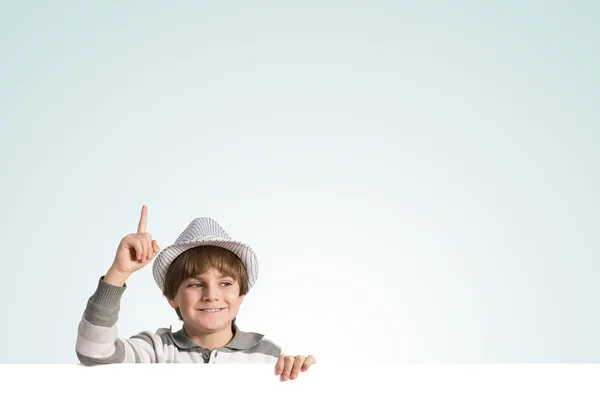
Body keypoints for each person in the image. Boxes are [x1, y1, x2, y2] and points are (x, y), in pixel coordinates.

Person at [76, 205, 315, 381]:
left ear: (242, 294)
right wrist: (118, 272)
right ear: (172, 297)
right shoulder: (155, 350)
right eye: (196, 284)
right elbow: (94, 354)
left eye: (225, 284)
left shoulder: (267, 355)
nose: (211, 295)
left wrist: (298, 372)